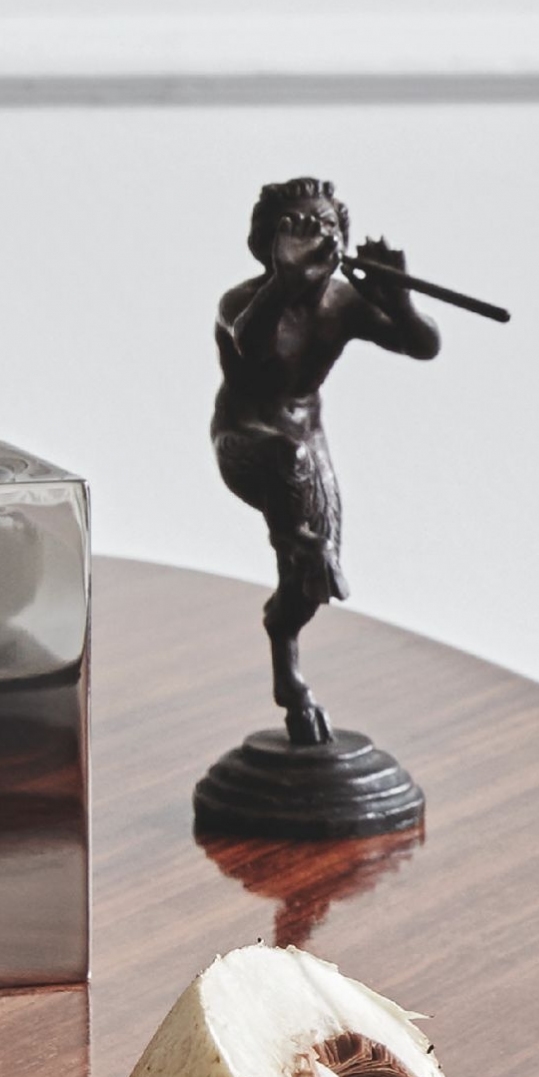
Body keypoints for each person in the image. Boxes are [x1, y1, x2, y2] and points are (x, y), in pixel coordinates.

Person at [213, 178, 439, 744]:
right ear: (267, 243)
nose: (315, 238)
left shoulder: (342, 303)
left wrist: (397, 298)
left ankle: (288, 664)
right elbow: (250, 344)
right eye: (297, 228)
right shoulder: (241, 303)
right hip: (247, 442)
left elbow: (423, 345)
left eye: (327, 227)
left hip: (307, 445)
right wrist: (283, 284)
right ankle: (299, 542)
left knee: (309, 583)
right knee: (289, 467)